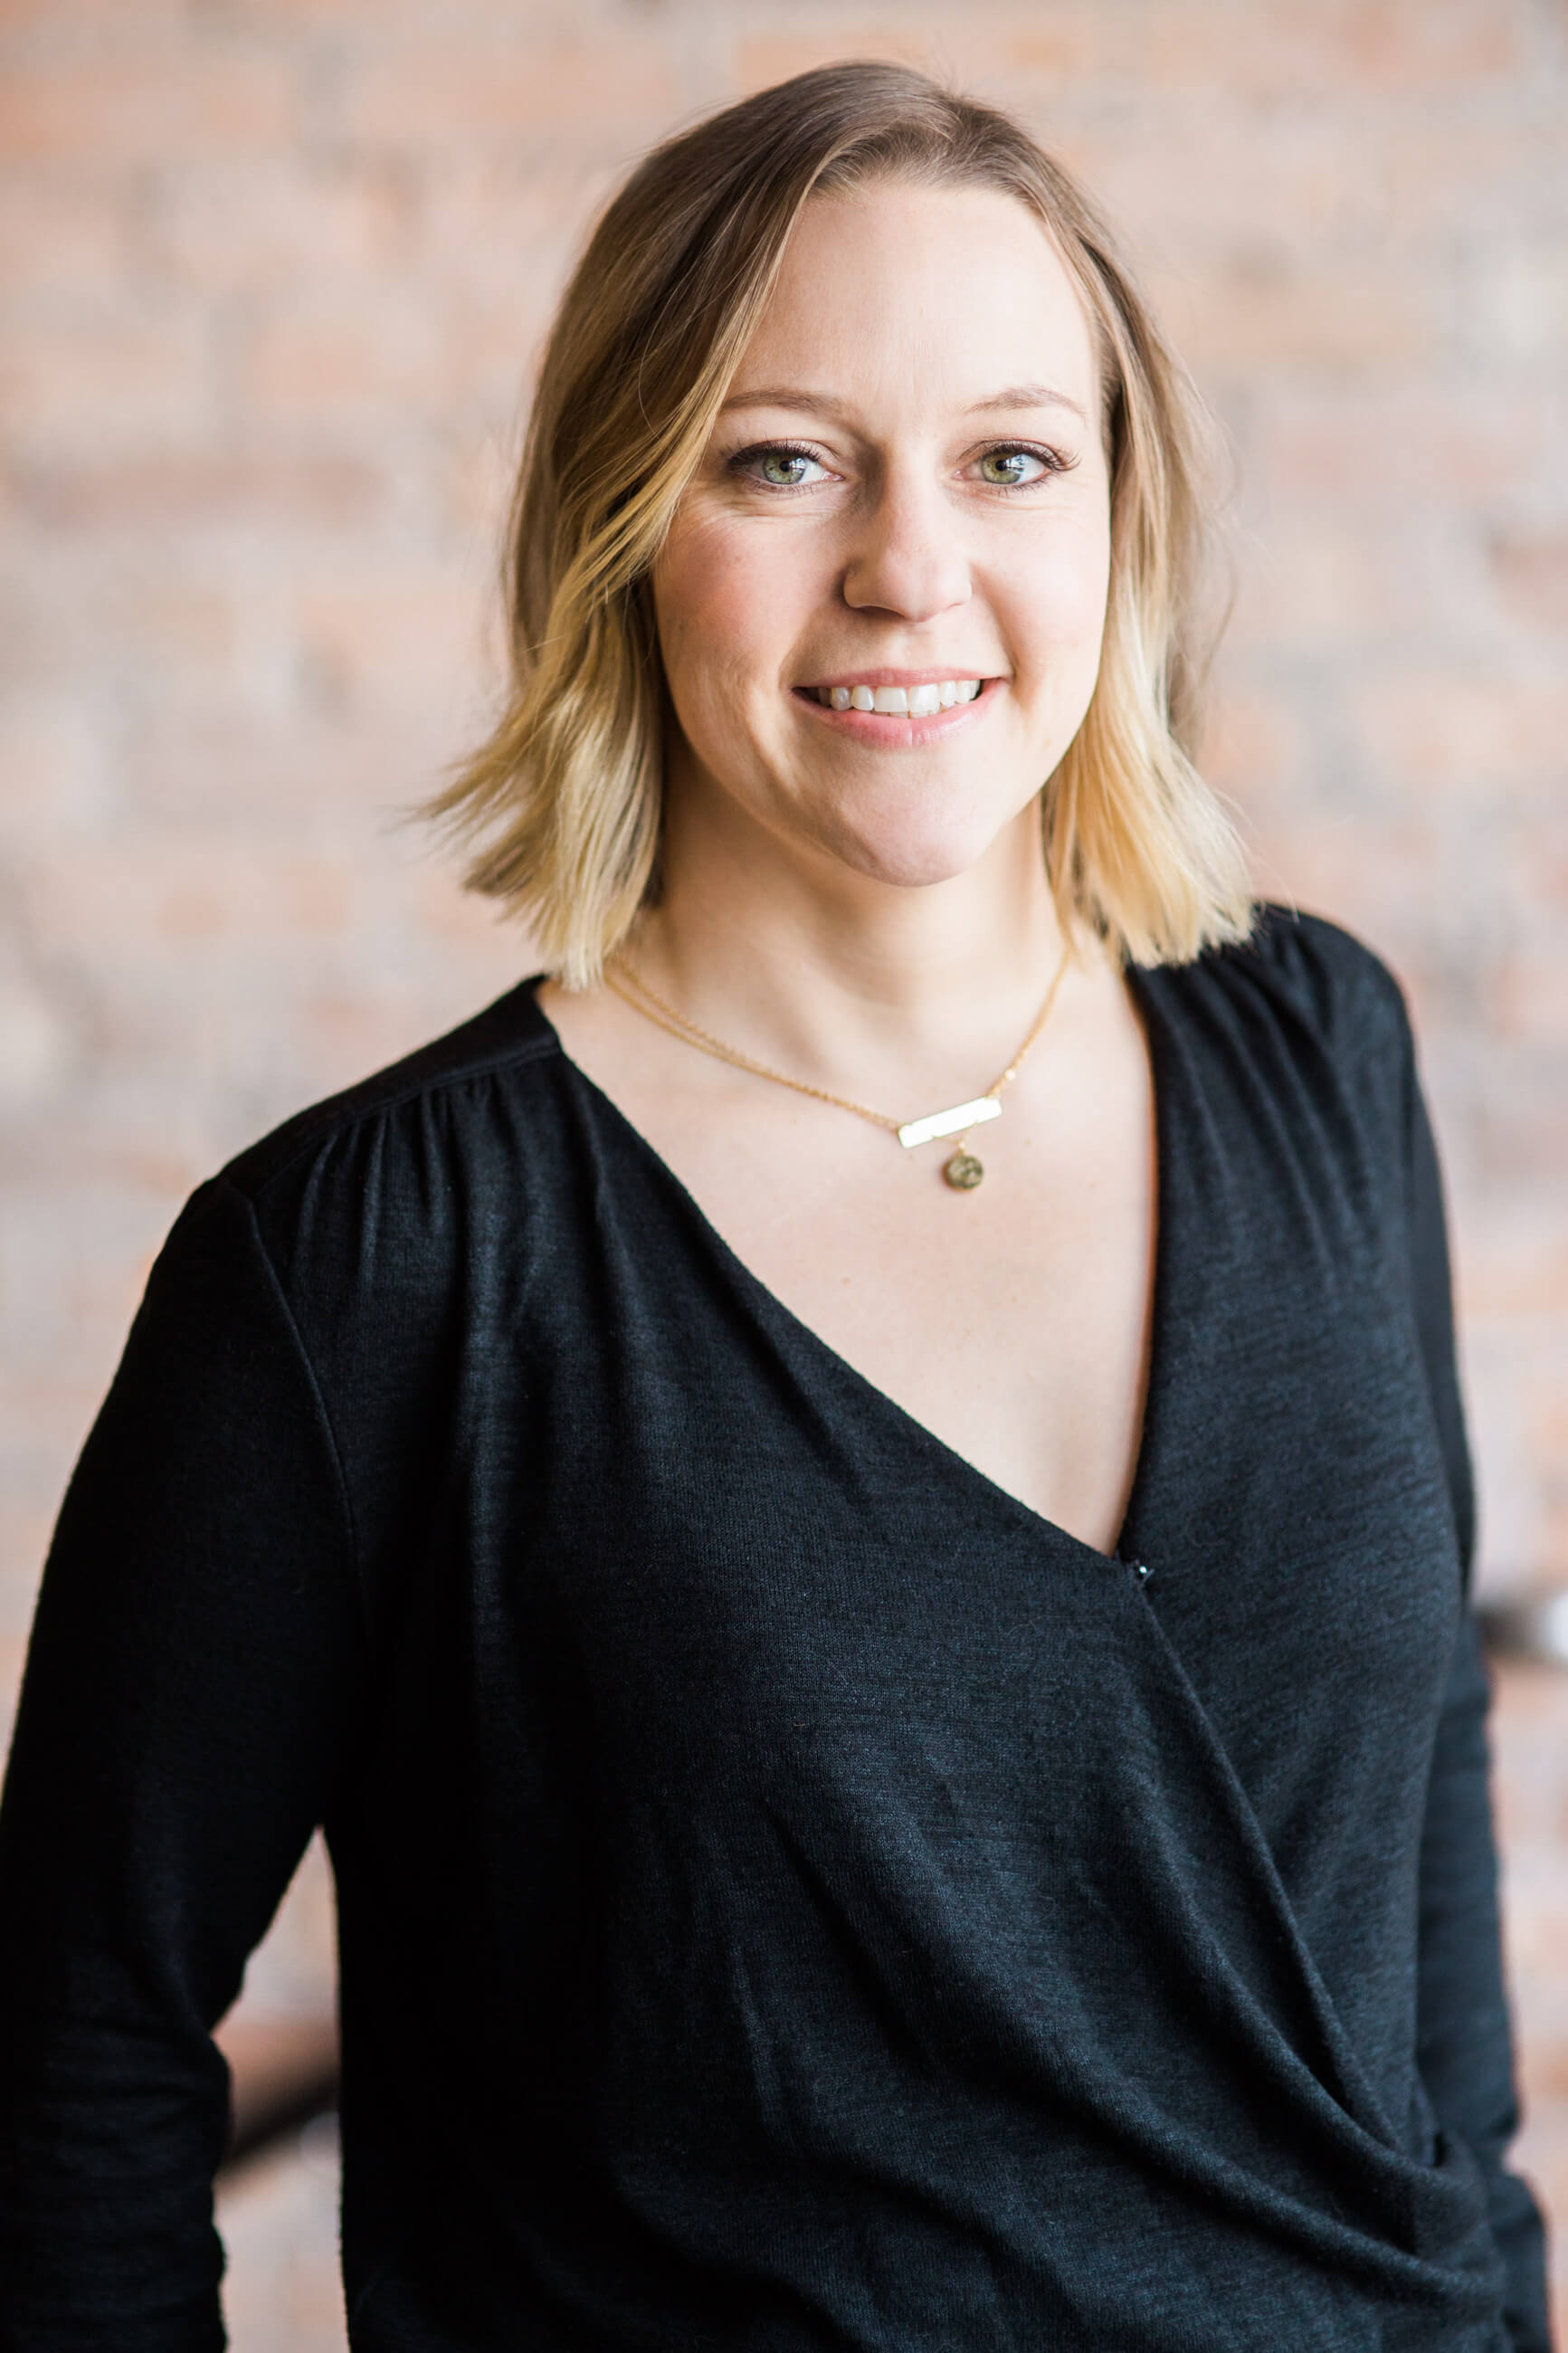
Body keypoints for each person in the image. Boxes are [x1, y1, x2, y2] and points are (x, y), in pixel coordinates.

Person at [0, 60, 1550, 2353]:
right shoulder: (365, 1266)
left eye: (1012, 457)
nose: (912, 567)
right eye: (784, 457)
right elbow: (69, 2068)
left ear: (1117, 520)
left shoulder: (1318, 1050)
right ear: (628, 520)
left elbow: (1419, 1833)